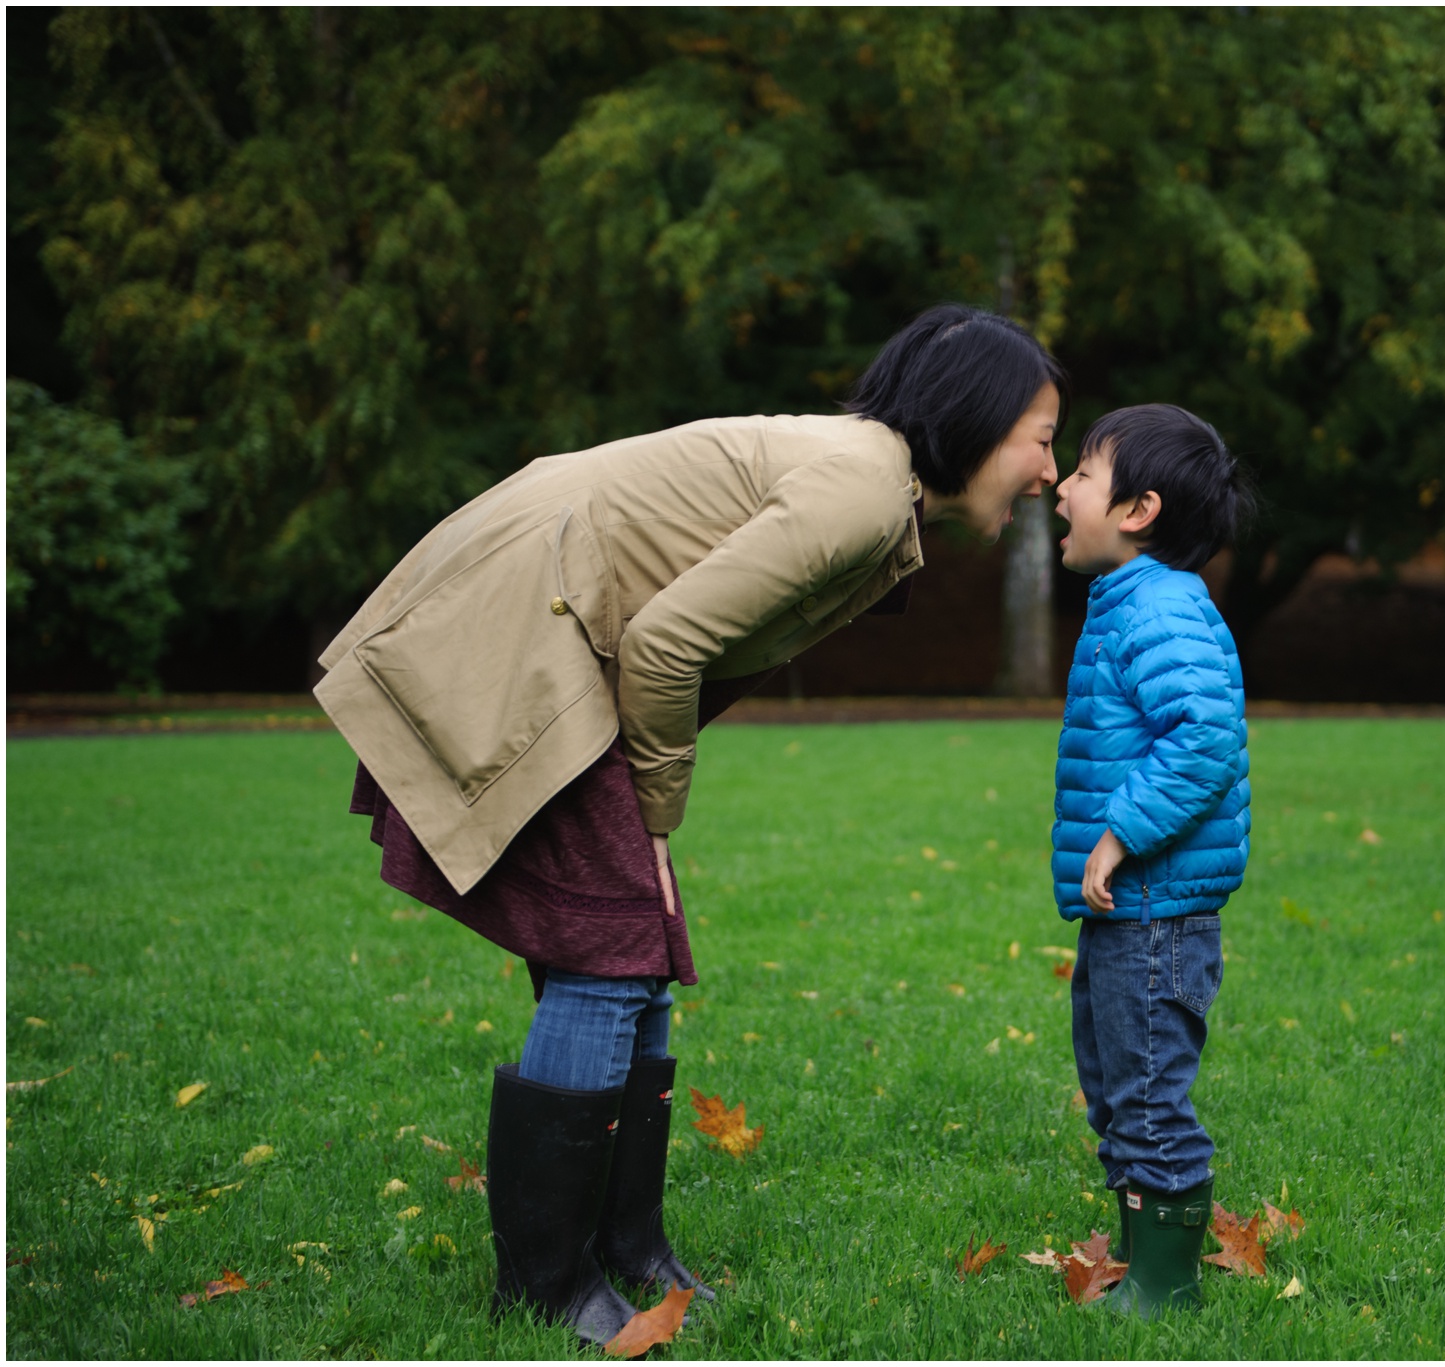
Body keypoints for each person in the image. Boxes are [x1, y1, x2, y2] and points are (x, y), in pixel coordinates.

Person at [314, 305, 1066, 1347]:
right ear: (976, 419)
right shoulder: (861, 488)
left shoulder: (873, 481)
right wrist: (656, 814)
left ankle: (624, 1244)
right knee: (610, 953)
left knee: (631, 952)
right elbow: (666, 644)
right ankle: (546, 1284)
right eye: (1040, 438)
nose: (1048, 471)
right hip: (534, 632)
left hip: (568, 635)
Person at [1048, 403, 1251, 1317]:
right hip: (1130, 913)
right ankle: (1140, 1249)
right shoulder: (1132, 602)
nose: (1061, 488)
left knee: (1148, 1093)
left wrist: (1121, 831)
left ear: (1138, 510)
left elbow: (1204, 739)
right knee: (1116, 1083)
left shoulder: (1161, 608)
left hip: (1157, 913)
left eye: (1083, 474)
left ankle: (1167, 1287)